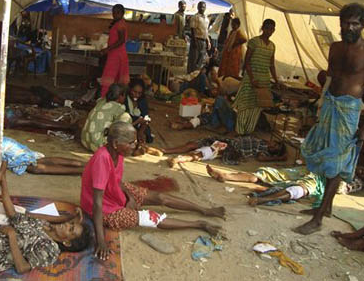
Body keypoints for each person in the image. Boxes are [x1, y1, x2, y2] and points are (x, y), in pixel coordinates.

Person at [80, 121, 226, 260]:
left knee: (161, 198)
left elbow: (116, 180)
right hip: (104, 209)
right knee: (150, 217)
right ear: (115, 143)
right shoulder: (102, 159)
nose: (135, 146)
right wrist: (101, 241)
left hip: (113, 192)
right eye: (131, 143)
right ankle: (199, 224)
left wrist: (129, 196)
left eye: (135, 141)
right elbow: (97, 204)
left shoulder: (118, 153)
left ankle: (204, 210)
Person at [294, 3, 364, 235]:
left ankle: (318, 219)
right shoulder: (335, 48)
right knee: (320, 152)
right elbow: (330, 76)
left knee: (337, 162)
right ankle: (325, 208)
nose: (349, 27)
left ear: (363, 25)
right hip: (329, 105)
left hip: (348, 111)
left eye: (355, 23)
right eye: (345, 22)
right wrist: (319, 101)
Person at [0, 73, 75, 130]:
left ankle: (66, 126)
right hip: (1, 118)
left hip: (2, 113)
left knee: (31, 116)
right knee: (32, 121)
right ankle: (68, 127)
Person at [233, 19, 281, 135]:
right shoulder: (254, 42)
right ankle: (240, 131)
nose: (269, 31)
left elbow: (271, 65)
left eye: (271, 29)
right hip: (251, 79)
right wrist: (252, 78)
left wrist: (276, 80)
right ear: (263, 28)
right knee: (245, 105)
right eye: (267, 28)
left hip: (264, 81)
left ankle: (248, 131)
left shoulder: (272, 46)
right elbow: (247, 61)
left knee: (257, 107)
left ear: (274, 30)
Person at [206, 165, 324, 207]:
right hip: (307, 169)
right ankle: (226, 176)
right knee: (266, 173)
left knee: (299, 189)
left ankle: (264, 199)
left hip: (321, 177)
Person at [161, 135, 287, 164]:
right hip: (227, 141)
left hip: (231, 148)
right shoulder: (262, 140)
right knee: (193, 144)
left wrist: (279, 158)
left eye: (276, 147)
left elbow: (260, 158)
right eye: (275, 143)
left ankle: (179, 159)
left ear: (274, 151)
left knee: (205, 152)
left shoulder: (263, 150)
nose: (273, 144)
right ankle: (165, 151)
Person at [81, 83, 132, 152]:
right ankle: (116, 145)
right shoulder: (118, 107)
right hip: (98, 145)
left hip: (85, 141)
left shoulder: (100, 101)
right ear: (121, 96)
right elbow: (120, 126)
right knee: (126, 117)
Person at [170, 84, 236, 134]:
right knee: (219, 100)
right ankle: (228, 128)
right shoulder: (202, 116)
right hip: (224, 121)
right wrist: (182, 125)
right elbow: (195, 122)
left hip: (227, 117)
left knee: (220, 100)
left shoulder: (204, 103)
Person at [100, 4, 130, 98]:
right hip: (116, 54)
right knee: (116, 78)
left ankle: (105, 98)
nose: (114, 14)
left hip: (116, 55)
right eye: (113, 12)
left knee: (109, 77)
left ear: (122, 13)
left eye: (117, 12)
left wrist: (107, 49)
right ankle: (115, 97)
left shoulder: (120, 24)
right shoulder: (118, 23)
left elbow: (121, 40)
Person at [124, 78, 153, 143]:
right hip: (127, 125)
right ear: (130, 89)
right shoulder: (124, 99)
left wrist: (140, 132)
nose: (136, 95)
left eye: (139, 93)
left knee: (146, 137)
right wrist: (136, 122)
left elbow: (146, 117)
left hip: (139, 126)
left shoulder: (142, 100)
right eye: (134, 92)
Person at [188, 1, 212, 73]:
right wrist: (194, 41)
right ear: (198, 7)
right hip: (197, 40)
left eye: (203, 7)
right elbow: (192, 29)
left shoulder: (207, 19)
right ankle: (191, 74)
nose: (202, 8)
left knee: (200, 59)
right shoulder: (195, 17)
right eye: (200, 6)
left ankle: (197, 74)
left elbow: (206, 31)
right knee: (194, 59)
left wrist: (208, 41)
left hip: (203, 41)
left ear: (205, 8)